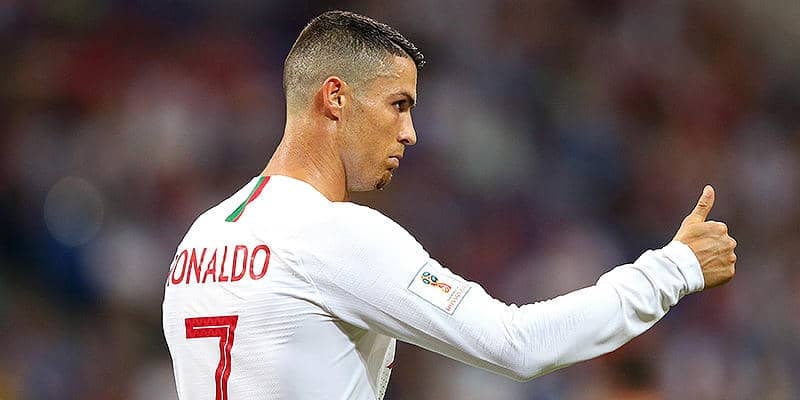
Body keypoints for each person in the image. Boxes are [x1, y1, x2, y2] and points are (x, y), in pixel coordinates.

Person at [162, 10, 737, 400]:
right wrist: (674, 269)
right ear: (335, 97)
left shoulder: (197, 242)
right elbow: (517, 344)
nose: (410, 132)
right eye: (398, 104)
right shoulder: (334, 235)